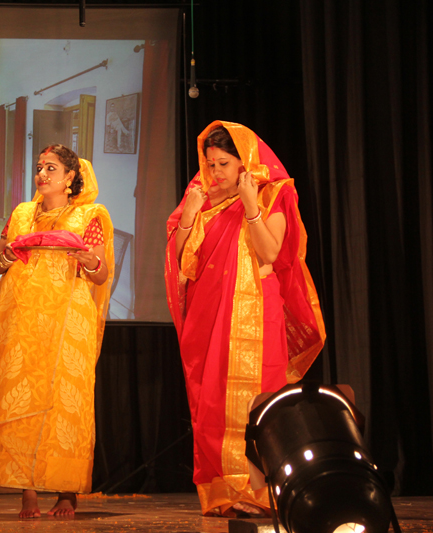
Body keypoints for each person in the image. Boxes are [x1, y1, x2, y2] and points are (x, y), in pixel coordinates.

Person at [164, 121, 325, 517]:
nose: (215, 172)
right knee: (211, 401)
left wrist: (251, 204)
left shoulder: (274, 194)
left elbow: (270, 253)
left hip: (255, 316)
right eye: (210, 164)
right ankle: (223, 494)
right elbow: (181, 261)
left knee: (258, 399)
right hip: (208, 312)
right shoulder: (203, 199)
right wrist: (189, 216)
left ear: (245, 162)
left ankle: (258, 493)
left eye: (224, 164)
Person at [0, 144, 114, 518]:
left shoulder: (89, 216)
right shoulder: (21, 214)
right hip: (22, 315)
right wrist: (7, 257)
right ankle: (28, 491)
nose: (42, 174)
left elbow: (100, 274)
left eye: (51, 168)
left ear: (70, 177)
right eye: (39, 168)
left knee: (66, 399)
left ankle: (67, 492)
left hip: (68, 317)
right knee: (21, 398)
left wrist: (89, 261)